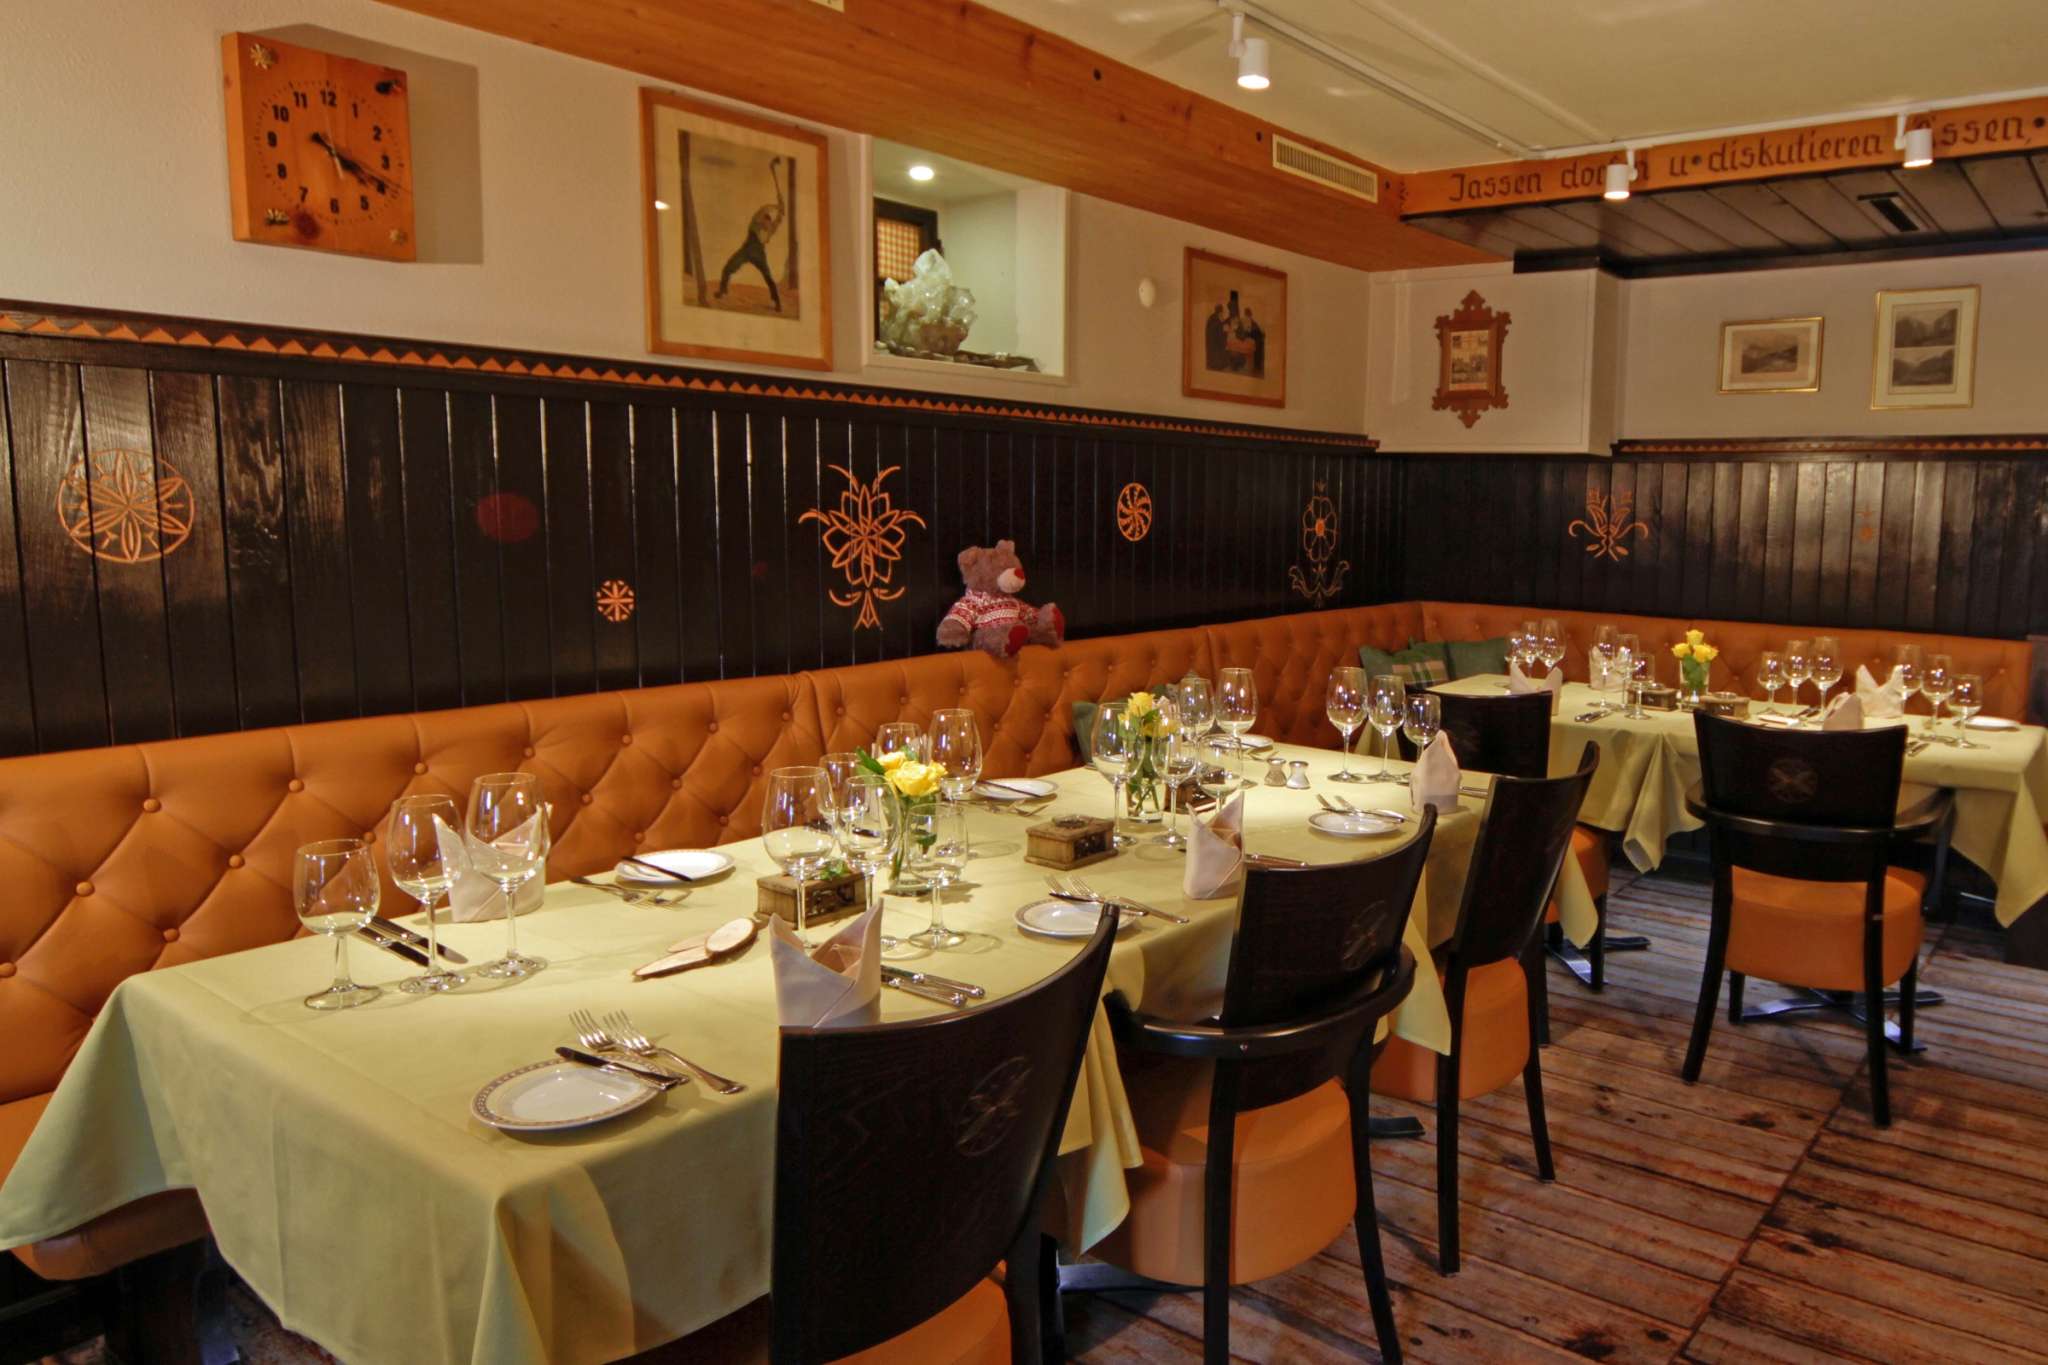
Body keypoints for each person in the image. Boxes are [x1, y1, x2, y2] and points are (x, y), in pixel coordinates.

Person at [716, 156, 787, 311]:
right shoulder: (755, 223)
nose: (766, 222)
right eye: (765, 219)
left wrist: (781, 209)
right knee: (728, 267)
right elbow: (763, 210)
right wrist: (775, 206)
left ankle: (777, 302)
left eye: (768, 221)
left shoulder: (770, 230)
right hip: (747, 249)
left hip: (759, 253)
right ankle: (722, 290)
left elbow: (779, 219)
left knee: (768, 277)